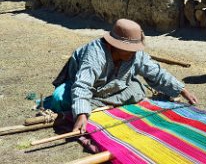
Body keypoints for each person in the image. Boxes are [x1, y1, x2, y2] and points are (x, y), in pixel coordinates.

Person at [45, 19, 197, 133]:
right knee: (59, 99)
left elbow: (156, 73)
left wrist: (182, 90)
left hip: (113, 88)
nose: (133, 53)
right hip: (86, 88)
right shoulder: (95, 54)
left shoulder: (135, 55)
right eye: (128, 49)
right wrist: (81, 114)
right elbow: (83, 84)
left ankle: (94, 104)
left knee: (138, 90)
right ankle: (87, 106)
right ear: (113, 45)